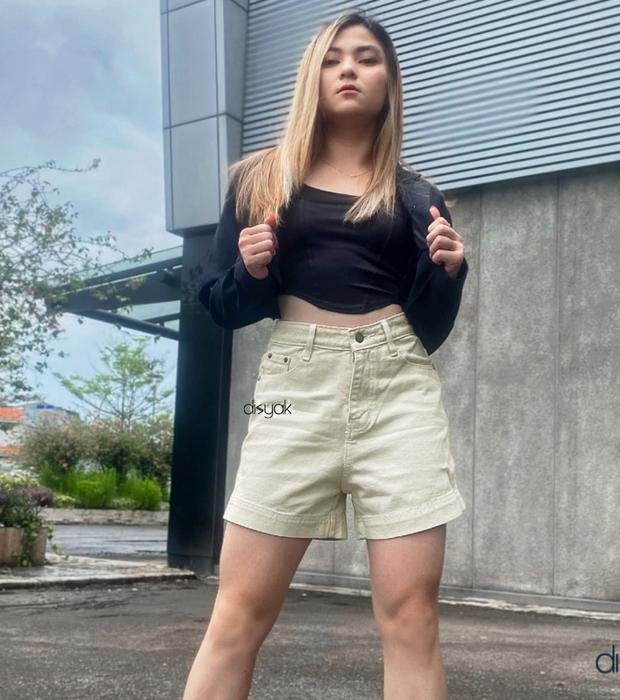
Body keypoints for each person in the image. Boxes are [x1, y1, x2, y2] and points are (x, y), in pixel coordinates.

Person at [183, 10, 469, 700]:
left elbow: (429, 328)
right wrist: (251, 270)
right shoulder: (260, 180)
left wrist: (449, 271)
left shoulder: (417, 195)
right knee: (238, 614)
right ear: (312, 75)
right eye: (334, 57)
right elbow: (219, 304)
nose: (349, 69)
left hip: (398, 389)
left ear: (389, 80)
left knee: (412, 619)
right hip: (293, 389)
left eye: (367, 58)